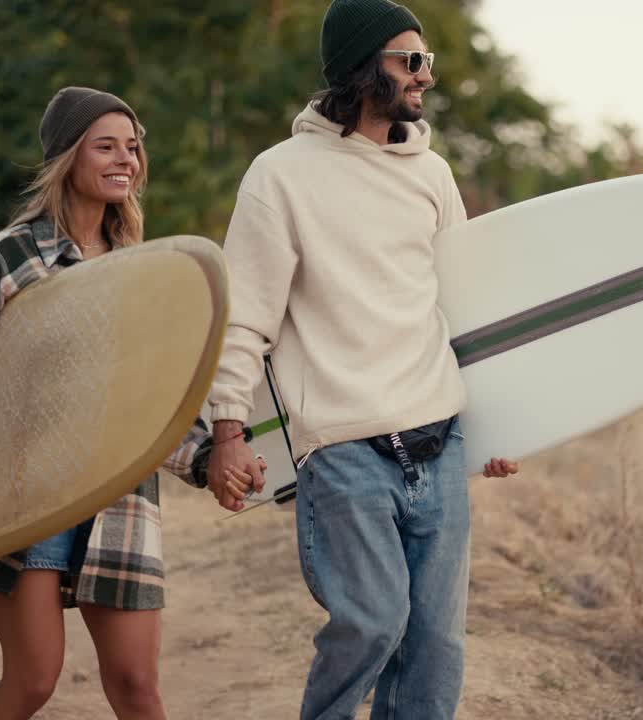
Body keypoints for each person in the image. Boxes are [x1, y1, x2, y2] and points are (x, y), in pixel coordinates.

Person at [203, 2, 518, 718]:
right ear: (359, 66)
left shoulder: (431, 174)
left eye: (426, 61)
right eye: (410, 61)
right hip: (344, 449)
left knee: (435, 655)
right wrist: (226, 432)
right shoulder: (280, 176)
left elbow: (463, 312)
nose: (425, 77)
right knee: (373, 623)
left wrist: (502, 430)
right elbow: (244, 314)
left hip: (438, 439)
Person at [0, 86, 243, 720]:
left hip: (118, 496)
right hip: (25, 494)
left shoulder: (140, 269)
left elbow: (150, 401)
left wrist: (207, 462)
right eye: (107, 146)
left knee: (137, 687)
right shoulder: (2, 260)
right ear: (68, 156)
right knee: (33, 680)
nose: (127, 160)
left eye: (134, 147)